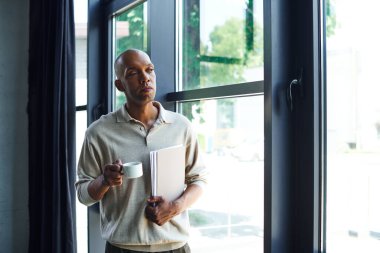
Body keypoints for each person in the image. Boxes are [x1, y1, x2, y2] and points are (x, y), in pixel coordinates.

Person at [75, 49, 207, 253]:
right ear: (120, 85)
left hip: (176, 247)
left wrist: (175, 208)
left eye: (149, 70)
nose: (145, 78)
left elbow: (199, 180)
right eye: (133, 73)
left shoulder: (181, 126)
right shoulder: (98, 132)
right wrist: (104, 181)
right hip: (122, 248)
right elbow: (83, 194)